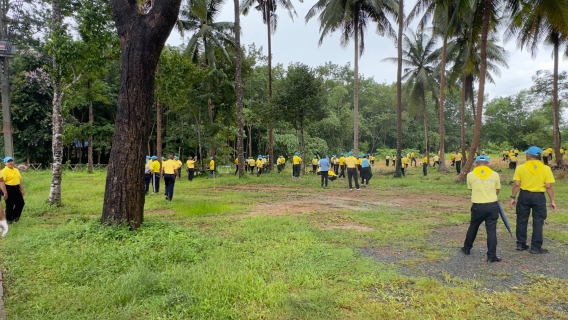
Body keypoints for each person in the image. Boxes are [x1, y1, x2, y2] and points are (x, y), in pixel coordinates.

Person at [510, 146, 557, 254]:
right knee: (538, 221)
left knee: (521, 219)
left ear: (528, 155)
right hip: (539, 197)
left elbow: (517, 184)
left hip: (524, 195)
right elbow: (548, 186)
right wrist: (552, 201)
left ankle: (521, 244)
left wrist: (513, 197)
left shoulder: (520, 168)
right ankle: (535, 247)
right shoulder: (546, 168)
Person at [461, 155, 502, 262]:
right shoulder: (495, 174)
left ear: (476, 163)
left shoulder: (470, 175)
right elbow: (497, 190)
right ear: (488, 164)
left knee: (473, 226)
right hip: (492, 205)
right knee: (491, 231)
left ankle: (467, 248)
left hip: (477, 206)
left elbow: (471, 189)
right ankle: (492, 255)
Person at [1, 157, 25, 223]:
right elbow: (2, 182)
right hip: (8, 188)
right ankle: (9, 220)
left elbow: (19, 180)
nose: (10, 163)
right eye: (8, 161)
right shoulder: (4, 171)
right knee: (10, 205)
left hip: (16, 188)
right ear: (5, 163)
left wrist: (22, 189)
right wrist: (5, 192)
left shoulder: (16, 170)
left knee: (20, 203)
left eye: (11, 161)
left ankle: (14, 217)